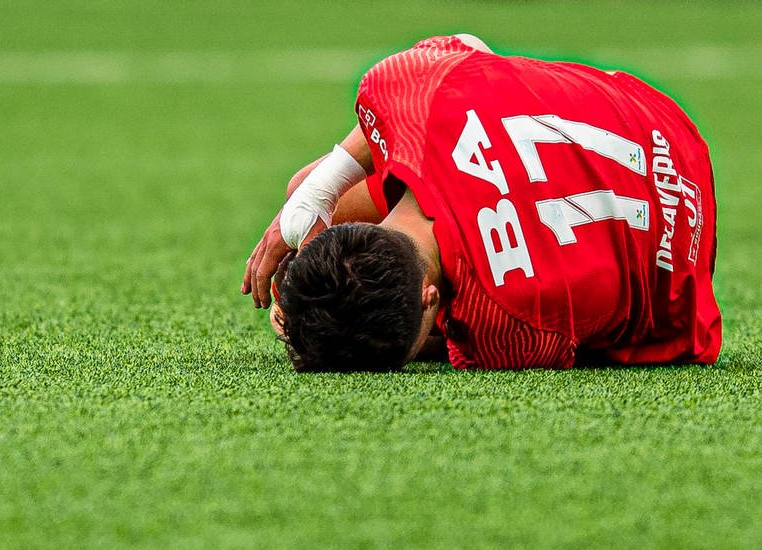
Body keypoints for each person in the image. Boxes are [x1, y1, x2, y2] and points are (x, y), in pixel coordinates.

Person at [242, 34, 720, 372]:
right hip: (655, 118)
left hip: (685, 258)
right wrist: (316, 193)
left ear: (431, 298)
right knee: (310, 180)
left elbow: (455, 340)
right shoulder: (412, 95)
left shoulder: (504, 325)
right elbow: (466, 42)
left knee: (309, 185)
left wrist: (345, 339)